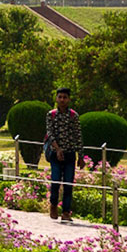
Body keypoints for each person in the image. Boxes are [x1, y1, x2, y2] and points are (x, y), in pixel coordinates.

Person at [42, 87, 83, 221]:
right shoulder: (51, 115)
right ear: (56, 98)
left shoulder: (73, 116)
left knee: (68, 183)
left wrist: (81, 156)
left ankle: (66, 211)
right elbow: (50, 134)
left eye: (65, 97)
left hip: (70, 154)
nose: (62, 100)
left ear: (69, 99)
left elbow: (78, 136)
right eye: (60, 97)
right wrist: (58, 149)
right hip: (55, 154)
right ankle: (53, 205)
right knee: (55, 181)